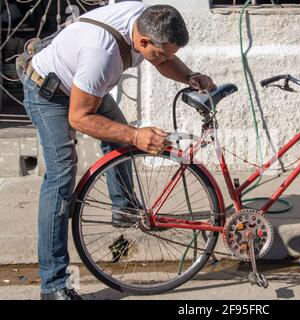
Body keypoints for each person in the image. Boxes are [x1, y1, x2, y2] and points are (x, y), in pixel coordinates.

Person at [20, 1, 216, 300]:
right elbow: (79, 118)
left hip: (79, 82)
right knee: (61, 178)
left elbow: (163, 61)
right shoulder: (103, 55)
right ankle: (53, 284)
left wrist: (188, 75)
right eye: (161, 53)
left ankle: (123, 209)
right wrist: (137, 136)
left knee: (122, 137)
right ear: (143, 41)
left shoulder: (148, 17)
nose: (165, 60)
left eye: (171, 54)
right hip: (47, 93)